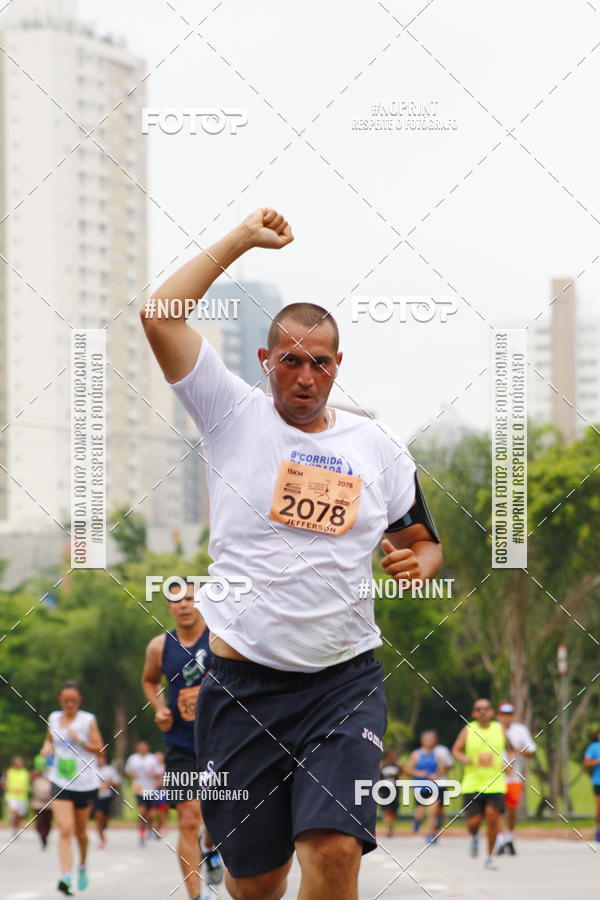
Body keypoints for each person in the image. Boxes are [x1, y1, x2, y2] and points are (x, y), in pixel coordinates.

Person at [141, 207, 442, 900]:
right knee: (257, 883)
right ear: (265, 362)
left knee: (336, 852)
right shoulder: (229, 412)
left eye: (321, 363)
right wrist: (242, 239)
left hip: (344, 682)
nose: (306, 377)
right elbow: (160, 315)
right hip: (241, 690)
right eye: (292, 361)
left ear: (339, 366)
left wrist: (416, 566)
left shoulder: (378, 448)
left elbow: (423, 545)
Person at [142, 577, 223, 900]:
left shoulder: (220, 638)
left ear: (200, 602)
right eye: (177, 600)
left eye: (190, 598)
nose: (185, 605)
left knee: (216, 815)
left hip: (222, 743)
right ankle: (197, 895)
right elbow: (149, 681)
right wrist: (160, 708)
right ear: (169, 607)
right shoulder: (159, 646)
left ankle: (211, 847)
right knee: (189, 817)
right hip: (180, 745)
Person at [41, 680, 103, 896]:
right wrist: (47, 747)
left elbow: (100, 749)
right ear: (60, 700)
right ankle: (66, 876)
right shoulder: (53, 718)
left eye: (73, 700)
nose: (69, 704)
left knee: (80, 833)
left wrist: (80, 741)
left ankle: (82, 866)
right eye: (66, 700)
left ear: (79, 701)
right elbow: (48, 741)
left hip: (85, 783)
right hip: (60, 780)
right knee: (65, 829)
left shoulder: (88, 720)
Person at [452, 698, 510, 871]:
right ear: (474, 713)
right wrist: (464, 758)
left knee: (493, 818)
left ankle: (489, 856)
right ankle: (475, 837)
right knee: (474, 822)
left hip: (495, 783)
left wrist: (507, 763)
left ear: (491, 712)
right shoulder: (468, 729)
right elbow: (456, 750)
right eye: (479, 709)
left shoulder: (500, 729)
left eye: (486, 708)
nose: (483, 711)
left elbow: (511, 748)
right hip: (473, 783)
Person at [495, 701, 537, 855]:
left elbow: (531, 750)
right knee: (497, 810)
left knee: (511, 811)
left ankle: (510, 838)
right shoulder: (493, 730)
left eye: (509, 715)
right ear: (498, 716)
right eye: (503, 715)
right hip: (496, 778)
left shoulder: (520, 730)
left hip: (514, 778)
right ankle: (499, 841)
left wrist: (519, 750)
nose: (506, 718)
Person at [404, 730, 449, 844]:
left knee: (432, 813)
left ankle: (430, 835)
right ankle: (418, 821)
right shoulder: (416, 754)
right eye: (428, 739)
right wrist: (419, 773)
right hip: (420, 787)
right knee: (420, 813)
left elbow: (443, 768)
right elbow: (408, 769)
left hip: (433, 787)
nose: (431, 741)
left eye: (432, 739)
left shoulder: (437, 754)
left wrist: (436, 774)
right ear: (422, 740)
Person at [124, 741, 161, 847]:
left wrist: (152, 774)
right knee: (142, 811)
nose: (142, 750)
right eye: (140, 748)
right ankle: (141, 834)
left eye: (144, 748)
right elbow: (127, 771)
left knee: (150, 813)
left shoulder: (152, 758)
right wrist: (132, 774)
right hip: (138, 788)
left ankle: (149, 829)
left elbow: (159, 772)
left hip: (150, 788)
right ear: (137, 749)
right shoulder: (133, 758)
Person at [93, 752, 121, 849]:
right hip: (95, 796)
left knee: (104, 819)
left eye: (101, 758)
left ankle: (103, 829)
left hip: (107, 797)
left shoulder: (110, 770)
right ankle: (102, 838)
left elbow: (118, 783)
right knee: (98, 816)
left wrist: (109, 784)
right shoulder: (92, 769)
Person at [2, 756, 30, 838]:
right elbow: (3, 782)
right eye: (18, 762)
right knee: (15, 812)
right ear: (14, 763)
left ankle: (15, 828)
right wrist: (9, 789)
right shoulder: (9, 772)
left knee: (19, 815)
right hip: (11, 796)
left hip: (22, 797)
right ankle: (13, 825)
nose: (20, 764)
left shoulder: (25, 772)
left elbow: (27, 784)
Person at [30, 754, 53, 849]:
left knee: (48, 822)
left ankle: (46, 836)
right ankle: (42, 837)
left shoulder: (51, 771)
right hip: (38, 802)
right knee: (40, 822)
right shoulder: (34, 775)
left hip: (49, 802)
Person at [583, 728, 600, 843]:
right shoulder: (594, 747)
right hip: (598, 782)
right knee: (599, 810)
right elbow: (586, 763)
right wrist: (598, 761)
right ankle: (598, 830)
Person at [379, 749, 401, 837]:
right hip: (385, 790)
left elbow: (404, 773)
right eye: (391, 755)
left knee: (394, 810)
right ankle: (387, 829)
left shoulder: (397, 765)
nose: (393, 757)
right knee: (386, 809)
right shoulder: (382, 765)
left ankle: (391, 827)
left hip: (395, 789)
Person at [150, 751, 169, 838]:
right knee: (154, 812)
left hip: (163, 790)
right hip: (155, 790)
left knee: (162, 810)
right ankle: (155, 827)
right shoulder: (154, 767)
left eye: (160, 757)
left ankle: (163, 827)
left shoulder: (166, 767)